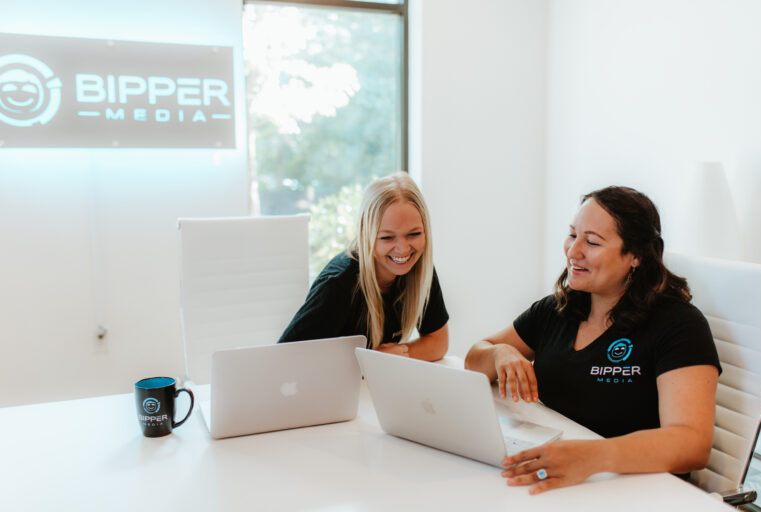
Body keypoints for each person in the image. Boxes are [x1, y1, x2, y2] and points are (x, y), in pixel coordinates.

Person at [465, 186, 720, 494]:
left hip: (638, 490)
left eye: (593, 242)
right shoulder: (557, 309)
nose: (573, 251)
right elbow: (474, 359)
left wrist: (593, 457)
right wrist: (501, 353)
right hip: (564, 479)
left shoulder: (678, 325)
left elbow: (692, 444)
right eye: (573, 235)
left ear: (636, 255)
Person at [278, 172, 449, 361]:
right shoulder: (338, 284)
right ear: (365, 235)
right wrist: (373, 359)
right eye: (387, 237)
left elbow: (438, 342)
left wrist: (399, 354)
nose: (403, 249)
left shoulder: (418, 267)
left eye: (414, 234)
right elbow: (286, 361)